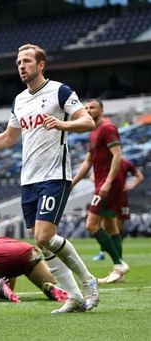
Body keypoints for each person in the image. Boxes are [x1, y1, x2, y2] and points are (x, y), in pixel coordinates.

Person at [0, 43, 99, 314]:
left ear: (40, 65)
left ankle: (88, 281)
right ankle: (75, 297)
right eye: (19, 61)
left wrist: (62, 123)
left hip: (55, 173)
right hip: (28, 179)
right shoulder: (19, 100)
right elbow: (9, 138)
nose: (21, 66)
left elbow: (88, 122)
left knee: (44, 236)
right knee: (42, 241)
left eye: (27, 61)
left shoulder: (60, 90)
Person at [71, 100, 129, 284]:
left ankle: (119, 264)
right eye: (86, 108)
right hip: (103, 183)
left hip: (108, 184)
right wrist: (73, 182)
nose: (88, 110)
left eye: (92, 107)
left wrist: (108, 182)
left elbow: (118, 155)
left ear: (101, 110)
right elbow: (88, 162)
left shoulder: (108, 128)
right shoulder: (93, 131)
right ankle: (118, 271)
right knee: (110, 225)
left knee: (91, 225)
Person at [0, 237, 68, 304]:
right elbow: (10, 287)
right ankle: (53, 288)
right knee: (54, 284)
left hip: (1, 254)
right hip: (27, 249)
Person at [92, 158, 144, 262]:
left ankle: (117, 257)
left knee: (118, 227)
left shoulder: (126, 163)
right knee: (104, 226)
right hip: (108, 197)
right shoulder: (104, 162)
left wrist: (130, 186)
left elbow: (140, 177)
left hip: (121, 199)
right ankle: (103, 253)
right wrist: (103, 184)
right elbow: (92, 176)